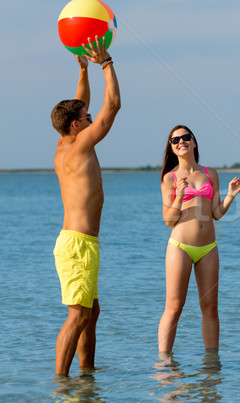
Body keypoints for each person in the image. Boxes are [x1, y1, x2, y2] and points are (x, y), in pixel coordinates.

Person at [50, 37, 121, 376]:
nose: (91, 116)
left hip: (81, 243)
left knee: (90, 312)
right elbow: (113, 107)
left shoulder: (65, 142)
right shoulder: (80, 147)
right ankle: (61, 385)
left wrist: (82, 70)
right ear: (77, 125)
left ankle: (87, 376)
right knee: (77, 315)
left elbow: (82, 102)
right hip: (78, 244)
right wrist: (106, 64)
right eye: (85, 116)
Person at [158, 125, 240, 354]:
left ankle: (212, 365)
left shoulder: (210, 174)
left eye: (185, 137)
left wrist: (230, 196)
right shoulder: (170, 178)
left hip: (208, 248)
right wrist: (179, 196)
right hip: (180, 247)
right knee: (175, 307)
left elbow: (216, 213)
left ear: (194, 142)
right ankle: (165, 363)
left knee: (210, 307)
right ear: (171, 147)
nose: (181, 142)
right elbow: (168, 219)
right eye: (175, 140)